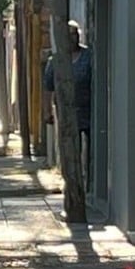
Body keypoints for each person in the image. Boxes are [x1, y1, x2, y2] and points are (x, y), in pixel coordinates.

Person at [43, 20, 92, 189]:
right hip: (66, 111)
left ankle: (90, 182)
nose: (74, 37)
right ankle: (72, 183)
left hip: (89, 110)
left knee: (92, 148)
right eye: (70, 34)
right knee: (70, 150)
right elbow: (48, 88)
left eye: (76, 33)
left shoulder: (89, 56)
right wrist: (47, 111)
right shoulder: (56, 61)